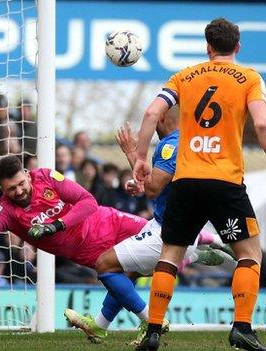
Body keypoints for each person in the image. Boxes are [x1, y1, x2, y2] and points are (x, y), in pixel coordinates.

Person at [0, 155, 228, 345]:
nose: (18, 191)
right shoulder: (6, 211)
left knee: (161, 233)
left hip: (110, 222)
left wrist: (56, 225)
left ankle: (212, 241)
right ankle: (185, 265)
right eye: (10, 189)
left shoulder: (47, 177)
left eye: (20, 184)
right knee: (123, 274)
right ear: (3, 190)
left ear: (27, 174)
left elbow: (88, 202)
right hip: (90, 251)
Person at [132, 18, 266, 351]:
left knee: (170, 255)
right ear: (237, 47)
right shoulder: (250, 78)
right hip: (225, 183)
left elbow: (151, 114)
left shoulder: (184, 76)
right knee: (250, 254)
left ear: (207, 48)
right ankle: (242, 327)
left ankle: (152, 331)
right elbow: (262, 124)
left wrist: (140, 157)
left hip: (186, 181)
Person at [65, 107, 235, 344]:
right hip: (171, 227)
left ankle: (150, 319)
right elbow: (164, 188)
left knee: (105, 264)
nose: (150, 124)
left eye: (152, 118)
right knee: (129, 272)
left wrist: (131, 152)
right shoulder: (192, 142)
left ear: (162, 118)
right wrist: (143, 186)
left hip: (168, 233)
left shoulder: (170, 145)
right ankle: (100, 325)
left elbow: (154, 188)